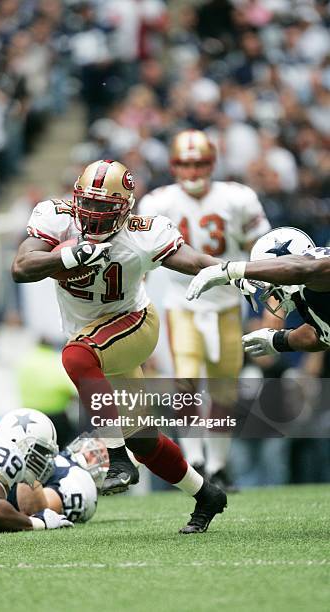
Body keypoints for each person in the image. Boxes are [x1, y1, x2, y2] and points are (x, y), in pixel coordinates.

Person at [11, 158, 234, 533]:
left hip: (133, 325)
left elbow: (192, 259)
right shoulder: (56, 216)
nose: (94, 214)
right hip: (97, 339)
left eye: (105, 206)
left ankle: (117, 459)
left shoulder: (142, 231)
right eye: (90, 203)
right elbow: (21, 267)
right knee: (144, 440)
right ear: (77, 197)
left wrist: (236, 272)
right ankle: (207, 494)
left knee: (76, 357)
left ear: (126, 208)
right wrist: (66, 255)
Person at [138, 130, 271, 490]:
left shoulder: (237, 197)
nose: (193, 171)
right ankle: (195, 459)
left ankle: (219, 464)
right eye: (185, 163)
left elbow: (262, 252)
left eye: (199, 163)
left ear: (212, 163)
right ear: (173, 166)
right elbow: (142, 267)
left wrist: (268, 303)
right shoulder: (156, 203)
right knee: (185, 382)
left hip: (228, 303)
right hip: (183, 302)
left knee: (224, 389)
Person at [186, 226, 330, 354]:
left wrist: (232, 269)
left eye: (273, 286)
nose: (275, 297)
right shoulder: (310, 295)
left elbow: (301, 270)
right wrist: (277, 340)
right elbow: (319, 334)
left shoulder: (316, 270)